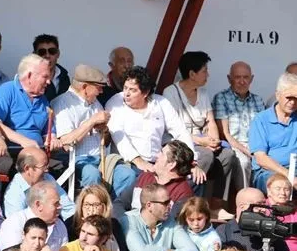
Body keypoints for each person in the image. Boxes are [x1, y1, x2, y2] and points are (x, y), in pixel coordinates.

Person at [106, 66, 203, 188]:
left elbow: (180, 131)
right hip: (127, 162)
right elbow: (119, 137)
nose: (127, 93)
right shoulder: (115, 103)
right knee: (133, 177)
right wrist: (139, 161)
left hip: (158, 162)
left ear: (146, 92)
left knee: (195, 179)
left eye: (133, 90)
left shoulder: (161, 102)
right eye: (125, 88)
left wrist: (192, 162)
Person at [53, 64, 136, 199]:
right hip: (78, 160)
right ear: (85, 87)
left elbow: (106, 142)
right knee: (92, 174)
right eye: (98, 87)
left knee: (127, 174)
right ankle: (93, 207)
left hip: (101, 158)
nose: (101, 92)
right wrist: (92, 121)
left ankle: (107, 204)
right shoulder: (62, 103)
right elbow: (66, 143)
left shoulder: (95, 103)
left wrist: (105, 130)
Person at [162, 51, 235, 196]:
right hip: (180, 143)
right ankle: (187, 197)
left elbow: (210, 120)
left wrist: (213, 141)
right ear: (192, 74)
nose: (208, 75)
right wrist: (203, 142)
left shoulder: (203, 92)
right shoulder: (170, 93)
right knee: (206, 155)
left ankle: (217, 202)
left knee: (227, 155)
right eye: (204, 71)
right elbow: (174, 130)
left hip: (203, 141)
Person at [0, 54, 52, 173]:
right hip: (11, 153)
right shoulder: (7, 90)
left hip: (39, 153)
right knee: (32, 170)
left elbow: (48, 131)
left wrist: (52, 138)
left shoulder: (43, 99)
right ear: (29, 76)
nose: (49, 82)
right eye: (45, 77)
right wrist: (23, 141)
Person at [214, 61, 265, 195]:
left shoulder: (258, 100)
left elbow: (263, 130)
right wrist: (248, 151)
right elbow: (225, 134)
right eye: (237, 77)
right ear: (229, 79)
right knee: (244, 162)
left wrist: (258, 150)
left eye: (246, 77)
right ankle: (245, 200)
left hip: (256, 145)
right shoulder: (221, 98)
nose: (242, 81)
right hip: (234, 145)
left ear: (251, 79)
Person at [0, 181, 69, 251]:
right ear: (39, 205)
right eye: (56, 204)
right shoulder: (15, 223)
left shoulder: (60, 226)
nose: (60, 207)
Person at [249, 72, 297, 193]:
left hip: (295, 170)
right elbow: (261, 158)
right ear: (277, 95)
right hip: (269, 172)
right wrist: (289, 175)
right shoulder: (261, 119)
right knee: (280, 186)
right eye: (289, 97)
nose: (292, 102)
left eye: (296, 98)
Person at [3, 146, 76, 220]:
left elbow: (68, 209)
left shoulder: (47, 178)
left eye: (47, 165)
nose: (47, 170)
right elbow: (17, 224)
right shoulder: (14, 194)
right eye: (43, 166)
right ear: (27, 168)